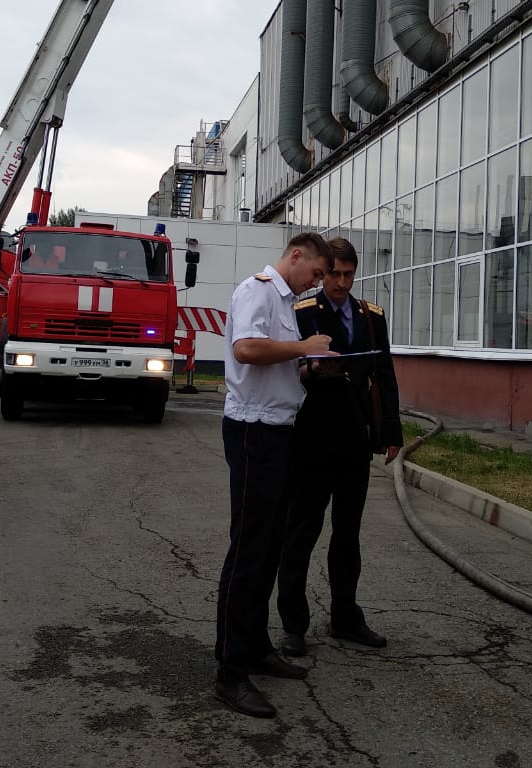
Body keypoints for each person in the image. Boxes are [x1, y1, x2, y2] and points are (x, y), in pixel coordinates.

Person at [213, 231, 334, 719]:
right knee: (248, 550)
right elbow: (246, 349)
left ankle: (256, 646)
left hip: (279, 430)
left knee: (268, 548)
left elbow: (275, 363)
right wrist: (303, 345)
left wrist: (308, 367)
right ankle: (229, 673)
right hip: (253, 431)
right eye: (317, 272)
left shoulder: (285, 301)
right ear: (296, 255)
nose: (317, 283)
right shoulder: (257, 290)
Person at [277, 237, 402, 659]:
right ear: (324, 271)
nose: (342, 283)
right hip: (311, 438)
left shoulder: (371, 317)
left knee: (348, 533)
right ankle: (293, 625)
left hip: (354, 440)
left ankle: (345, 616)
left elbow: (385, 374)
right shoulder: (302, 313)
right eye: (334, 274)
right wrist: (311, 370)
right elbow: (286, 370)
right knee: (301, 531)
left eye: (349, 275)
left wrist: (391, 432)